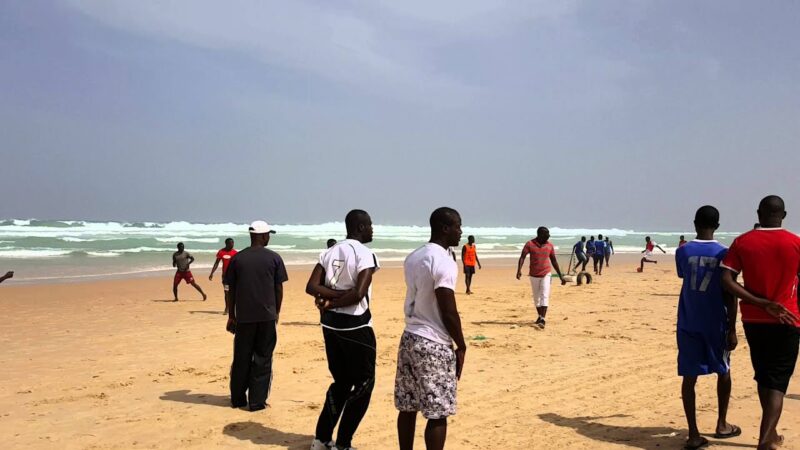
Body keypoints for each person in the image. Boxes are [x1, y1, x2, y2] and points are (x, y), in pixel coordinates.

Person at [720, 195, 800, 450]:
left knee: (764, 377)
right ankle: (765, 440)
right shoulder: (796, 243)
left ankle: (772, 433)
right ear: (784, 215)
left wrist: (759, 302)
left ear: (758, 213)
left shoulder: (743, 242)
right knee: (777, 382)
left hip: (754, 319)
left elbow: (727, 281)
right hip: (788, 317)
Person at [307, 210, 380, 450]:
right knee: (364, 384)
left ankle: (321, 439)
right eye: (369, 225)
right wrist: (340, 300)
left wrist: (329, 301)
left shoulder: (329, 252)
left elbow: (313, 286)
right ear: (359, 227)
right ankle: (344, 443)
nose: (372, 229)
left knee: (340, 381)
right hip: (356, 326)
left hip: (330, 326)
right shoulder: (364, 254)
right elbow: (358, 294)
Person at [395, 207, 465, 450]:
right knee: (437, 412)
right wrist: (461, 344)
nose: (461, 231)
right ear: (445, 228)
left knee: (408, 406)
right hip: (433, 341)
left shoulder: (414, 256)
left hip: (410, 337)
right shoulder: (443, 260)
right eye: (458, 226)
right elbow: (447, 309)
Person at [675, 205, 741, 450]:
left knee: (689, 376)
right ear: (718, 226)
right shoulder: (725, 253)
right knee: (723, 371)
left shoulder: (683, 251)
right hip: (716, 322)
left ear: (694, 223)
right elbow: (731, 295)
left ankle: (693, 433)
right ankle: (722, 423)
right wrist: (732, 328)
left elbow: (684, 275)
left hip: (689, 320)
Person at [224, 221, 288, 411]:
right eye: (268, 234)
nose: (269, 237)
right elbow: (278, 288)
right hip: (266, 316)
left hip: (244, 317)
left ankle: (237, 399)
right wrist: (276, 312)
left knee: (241, 357)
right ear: (261, 236)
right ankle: (257, 401)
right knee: (263, 358)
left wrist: (231, 315)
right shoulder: (274, 258)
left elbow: (230, 289)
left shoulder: (238, 259)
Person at [516, 227, 567, 329]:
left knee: (544, 294)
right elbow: (522, 257)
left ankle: (543, 319)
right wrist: (519, 270)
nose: (548, 236)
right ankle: (539, 316)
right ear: (540, 235)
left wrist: (561, 276)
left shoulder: (550, 245)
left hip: (546, 274)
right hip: (534, 274)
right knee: (536, 298)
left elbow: (554, 261)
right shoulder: (530, 244)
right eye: (546, 234)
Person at [209, 238, 237, 314]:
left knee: (234, 293)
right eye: (230, 243)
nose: (232, 245)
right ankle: (227, 308)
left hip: (234, 276)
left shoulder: (235, 253)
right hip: (225, 277)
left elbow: (238, 265)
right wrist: (212, 273)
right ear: (226, 244)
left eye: (233, 243)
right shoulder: (221, 252)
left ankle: (233, 309)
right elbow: (216, 263)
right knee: (226, 292)